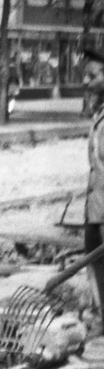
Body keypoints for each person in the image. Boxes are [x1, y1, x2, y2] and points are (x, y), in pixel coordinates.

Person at [80, 49, 104, 323]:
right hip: (94, 208)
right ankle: (101, 319)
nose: (86, 81)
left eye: (92, 76)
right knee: (94, 267)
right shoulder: (98, 115)